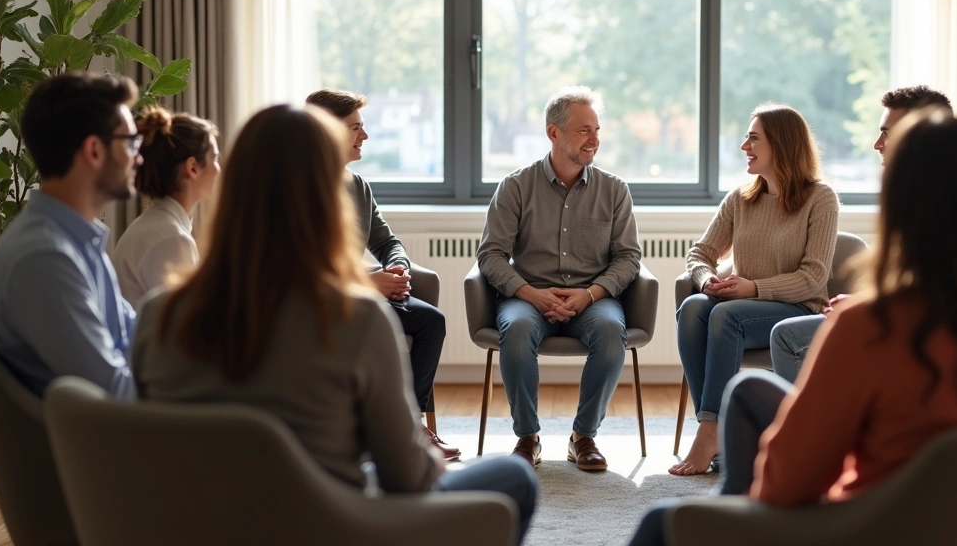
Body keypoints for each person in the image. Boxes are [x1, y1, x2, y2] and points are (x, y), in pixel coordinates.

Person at [627, 115, 957, 546]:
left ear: (902, 206)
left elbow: (790, 482)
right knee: (745, 386)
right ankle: (716, 454)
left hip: (874, 529)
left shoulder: (869, 324)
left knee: (661, 522)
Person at [129, 105, 536, 543]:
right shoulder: (358, 321)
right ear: (327, 198)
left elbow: (149, 450)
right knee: (513, 476)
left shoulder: (158, 314)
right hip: (326, 525)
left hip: (202, 525)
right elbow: (409, 479)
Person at [769, 85, 957, 382]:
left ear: (917, 133)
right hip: (915, 317)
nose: (878, 144)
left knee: (785, 341)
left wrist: (871, 307)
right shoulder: (918, 197)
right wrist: (866, 300)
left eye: (887, 133)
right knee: (790, 336)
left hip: (948, 329)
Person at [477, 85, 641, 471]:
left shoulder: (614, 190)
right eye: (584, 130)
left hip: (592, 299)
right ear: (554, 133)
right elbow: (491, 254)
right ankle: (527, 437)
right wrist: (530, 294)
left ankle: (583, 437)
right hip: (528, 297)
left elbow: (629, 257)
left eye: (596, 130)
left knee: (610, 331)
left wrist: (590, 294)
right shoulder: (516, 186)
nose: (594, 139)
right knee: (517, 330)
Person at [670, 103, 838, 477]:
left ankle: (711, 432)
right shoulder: (741, 198)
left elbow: (813, 278)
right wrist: (706, 280)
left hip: (798, 309)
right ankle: (714, 428)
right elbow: (700, 253)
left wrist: (754, 287)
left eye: (753, 138)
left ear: (781, 143)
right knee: (694, 308)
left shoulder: (820, 198)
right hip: (742, 306)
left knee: (726, 314)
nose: (745, 146)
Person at [305, 89, 458, 460]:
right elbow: (301, 270)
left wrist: (397, 267)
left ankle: (409, 427)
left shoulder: (357, 185)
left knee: (431, 322)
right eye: (355, 127)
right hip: (318, 304)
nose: (365, 135)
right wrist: (367, 283)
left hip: (361, 295)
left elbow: (388, 241)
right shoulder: (298, 189)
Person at [0, 73, 142, 399]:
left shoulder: (75, 242)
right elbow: (114, 395)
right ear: (94, 150)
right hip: (110, 431)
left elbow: (135, 338)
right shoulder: (44, 258)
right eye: (130, 143)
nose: (138, 157)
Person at [111, 107, 219, 306]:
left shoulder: (158, 226)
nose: (218, 169)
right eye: (215, 158)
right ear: (193, 167)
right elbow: (185, 319)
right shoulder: (170, 238)